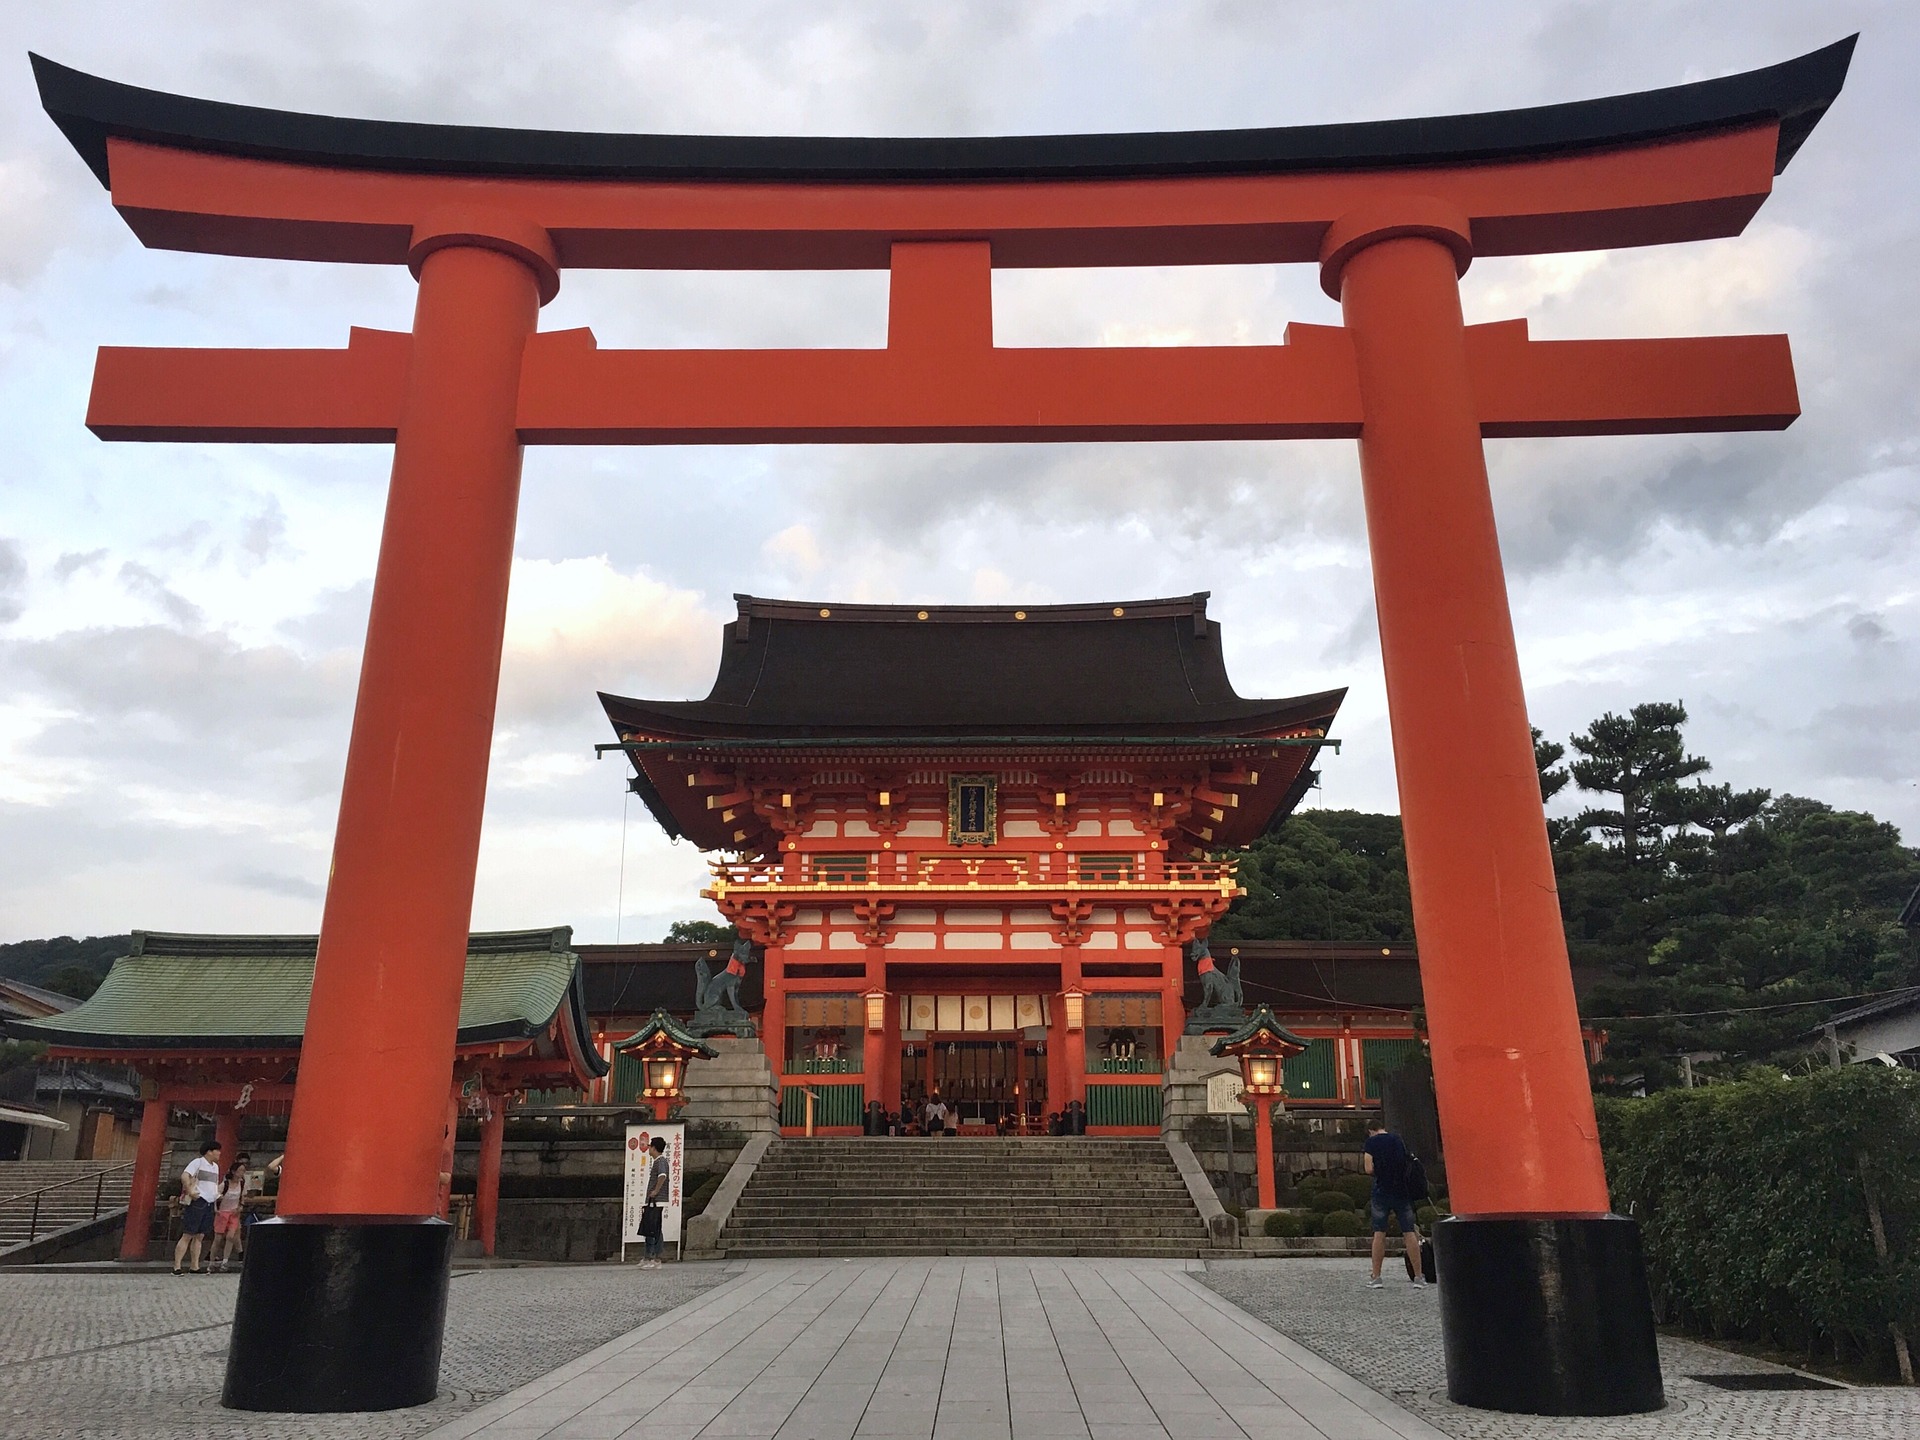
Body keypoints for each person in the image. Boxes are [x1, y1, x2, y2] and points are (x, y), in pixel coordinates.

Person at [1362, 1119, 1424, 1289]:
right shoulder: (1397, 1139)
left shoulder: (1371, 1143)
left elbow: (1368, 1168)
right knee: (1409, 1232)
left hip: (1381, 1190)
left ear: (1370, 1130)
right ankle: (1418, 1276)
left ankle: (1376, 1277)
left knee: (1379, 1233)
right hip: (1401, 1190)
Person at [174, 1140, 221, 1275]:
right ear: (209, 1151)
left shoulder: (215, 1167)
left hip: (210, 1202)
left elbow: (214, 1185)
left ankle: (195, 1265)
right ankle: (177, 1265)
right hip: (198, 1200)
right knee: (188, 1233)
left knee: (200, 1235)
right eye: (216, 1150)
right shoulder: (197, 1162)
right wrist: (190, 1191)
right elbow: (185, 1175)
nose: (219, 1153)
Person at [208, 1152, 251, 1272]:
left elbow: (242, 1197)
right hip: (222, 1212)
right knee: (218, 1238)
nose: (242, 1173)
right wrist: (216, 1209)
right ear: (233, 1172)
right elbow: (215, 1196)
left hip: (234, 1212)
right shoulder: (225, 1184)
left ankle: (225, 1261)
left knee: (231, 1236)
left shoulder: (242, 1184)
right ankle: (211, 1261)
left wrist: (240, 1207)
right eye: (240, 1170)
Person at [638, 1136, 669, 1268]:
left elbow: (662, 1176)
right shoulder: (658, 1161)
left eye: (650, 1146)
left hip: (657, 1200)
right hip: (654, 1200)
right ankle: (650, 1257)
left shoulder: (660, 1161)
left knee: (652, 1229)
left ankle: (654, 1259)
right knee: (653, 1228)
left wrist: (656, 1191)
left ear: (654, 1148)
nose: (648, 1148)